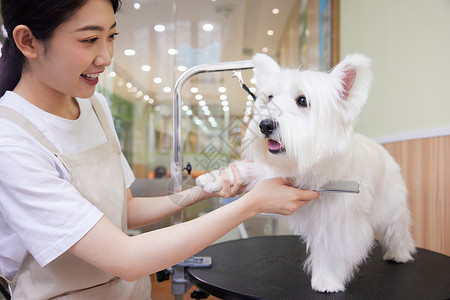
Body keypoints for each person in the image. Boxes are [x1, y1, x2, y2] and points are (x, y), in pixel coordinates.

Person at [0, 0, 320, 298]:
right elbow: (126, 258)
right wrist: (250, 204)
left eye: (112, 36)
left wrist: (206, 189)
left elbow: (128, 210)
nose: (106, 56)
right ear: (28, 42)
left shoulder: (94, 105)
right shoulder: (11, 141)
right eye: (89, 40)